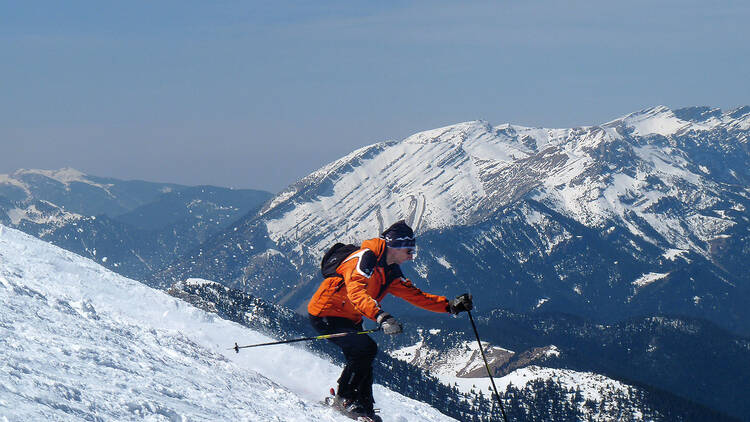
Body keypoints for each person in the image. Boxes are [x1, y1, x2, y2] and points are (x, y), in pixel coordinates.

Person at [308, 220, 473, 420]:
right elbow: (355, 292)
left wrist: (450, 305)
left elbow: (416, 296)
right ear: (396, 247)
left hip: (349, 316)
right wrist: (381, 316)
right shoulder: (365, 259)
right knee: (364, 350)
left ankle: (364, 406)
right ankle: (345, 399)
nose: (411, 257)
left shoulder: (389, 270)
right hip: (326, 313)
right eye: (409, 251)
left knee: (364, 356)